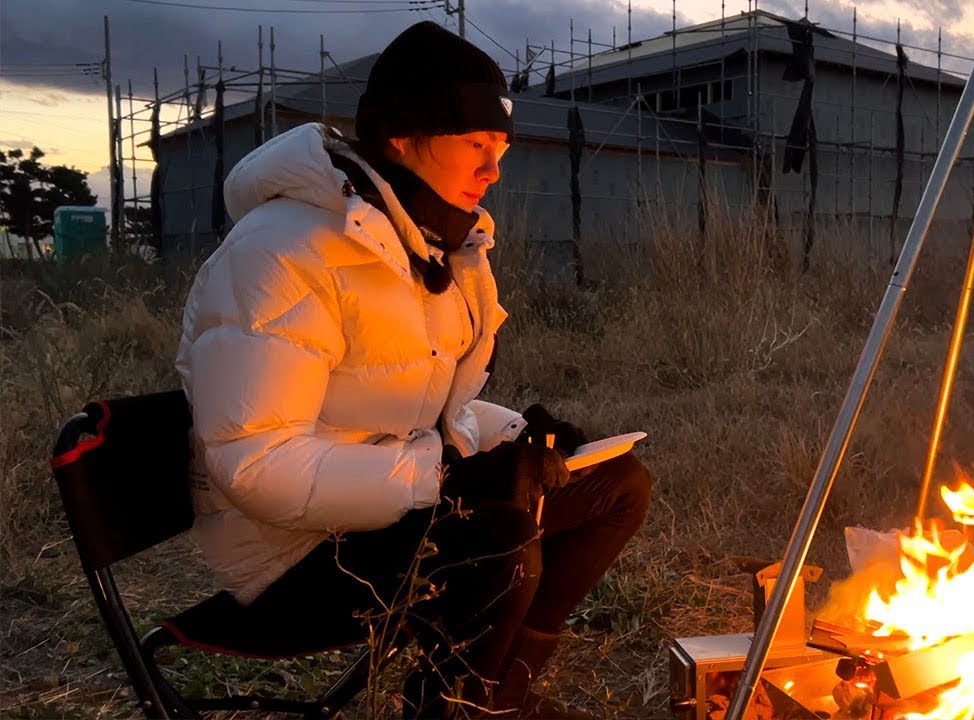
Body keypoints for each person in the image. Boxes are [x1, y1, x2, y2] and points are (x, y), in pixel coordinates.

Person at [175, 21, 651, 719]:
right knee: (499, 536)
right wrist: (448, 479)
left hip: (375, 511)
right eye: (477, 145)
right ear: (401, 136)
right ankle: (451, 709)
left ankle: (496, 698)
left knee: (617, 485)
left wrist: (521, 437)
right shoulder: (283, 254)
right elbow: (254, 463)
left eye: (502, 148)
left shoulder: (429, 245)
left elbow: (426, 409)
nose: (494, 169)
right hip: (293, 554)